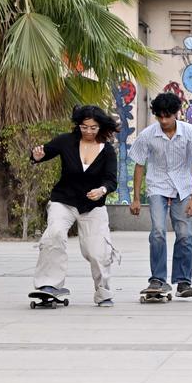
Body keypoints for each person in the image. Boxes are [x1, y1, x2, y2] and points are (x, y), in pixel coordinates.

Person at [31, 105, 121, 307]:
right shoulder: (66, 141)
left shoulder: (107, 151)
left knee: (97, 251)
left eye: (93, 128)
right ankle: (49, 285)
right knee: (53, 234)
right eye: (84, 127)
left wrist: (102, 190)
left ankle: (103, 291)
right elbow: (43, 153)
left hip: (93, 205)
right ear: (78, 125)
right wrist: (36, 156)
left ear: (101, 127)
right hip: (64, 200)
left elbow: (111, 180)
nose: (88, 131)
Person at [129, 93, 192, 298]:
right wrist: (136, 198)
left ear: (176, 113)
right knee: (158, 232)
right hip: (157, 185)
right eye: (160, 117)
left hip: (183, 186)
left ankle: (183, 281)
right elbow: (139, 165)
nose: (164, 121)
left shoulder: (190, 133)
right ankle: (157, 279)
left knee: (184, 234)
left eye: (168, 116)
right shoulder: (147, 135)